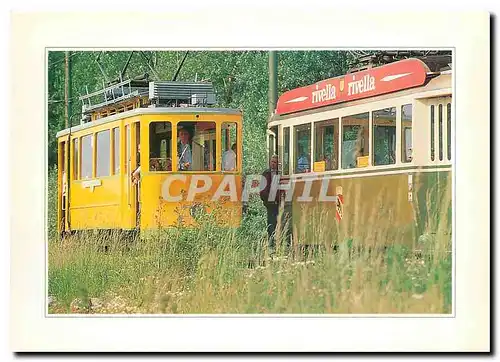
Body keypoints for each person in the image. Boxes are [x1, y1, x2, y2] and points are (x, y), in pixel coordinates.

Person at [260, 155, 280, 252]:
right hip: (270, 203)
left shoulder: (280, 173)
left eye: (275, 162)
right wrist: (268, 199)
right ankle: (271, 245)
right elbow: (262, 190)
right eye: (272, 162)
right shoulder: (266, 174)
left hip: (279, 203)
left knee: (278, 223)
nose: (273, 164)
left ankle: (278, 243)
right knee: (271, 224)